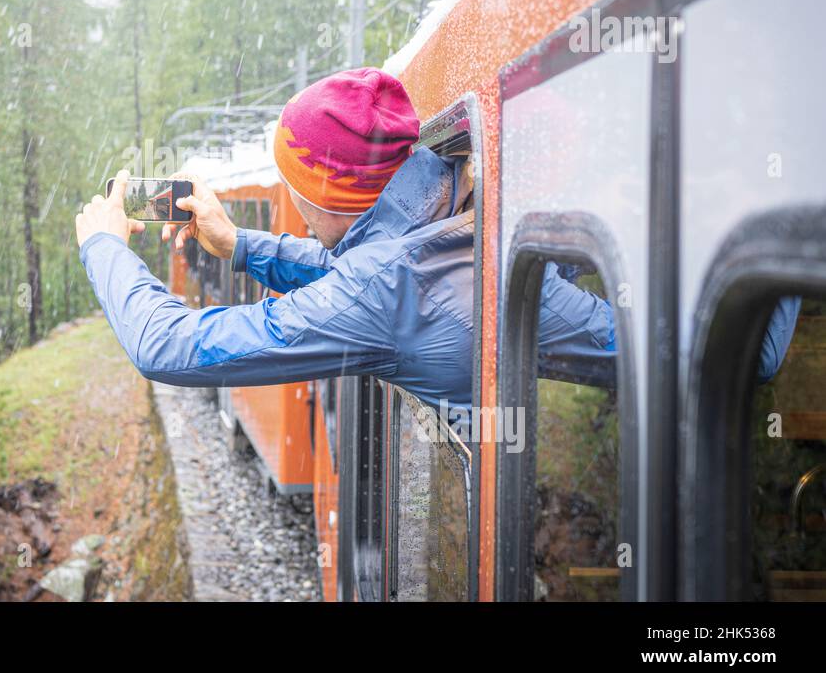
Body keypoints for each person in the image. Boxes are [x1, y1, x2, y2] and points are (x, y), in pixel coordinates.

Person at [75, 68, 798, 417]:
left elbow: (169, 348)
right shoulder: (433, 195)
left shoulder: (394, 283)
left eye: (297, 190)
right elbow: (358, 271)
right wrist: (238, 244)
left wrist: (105, 246)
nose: (294, 204)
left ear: (326, 197)